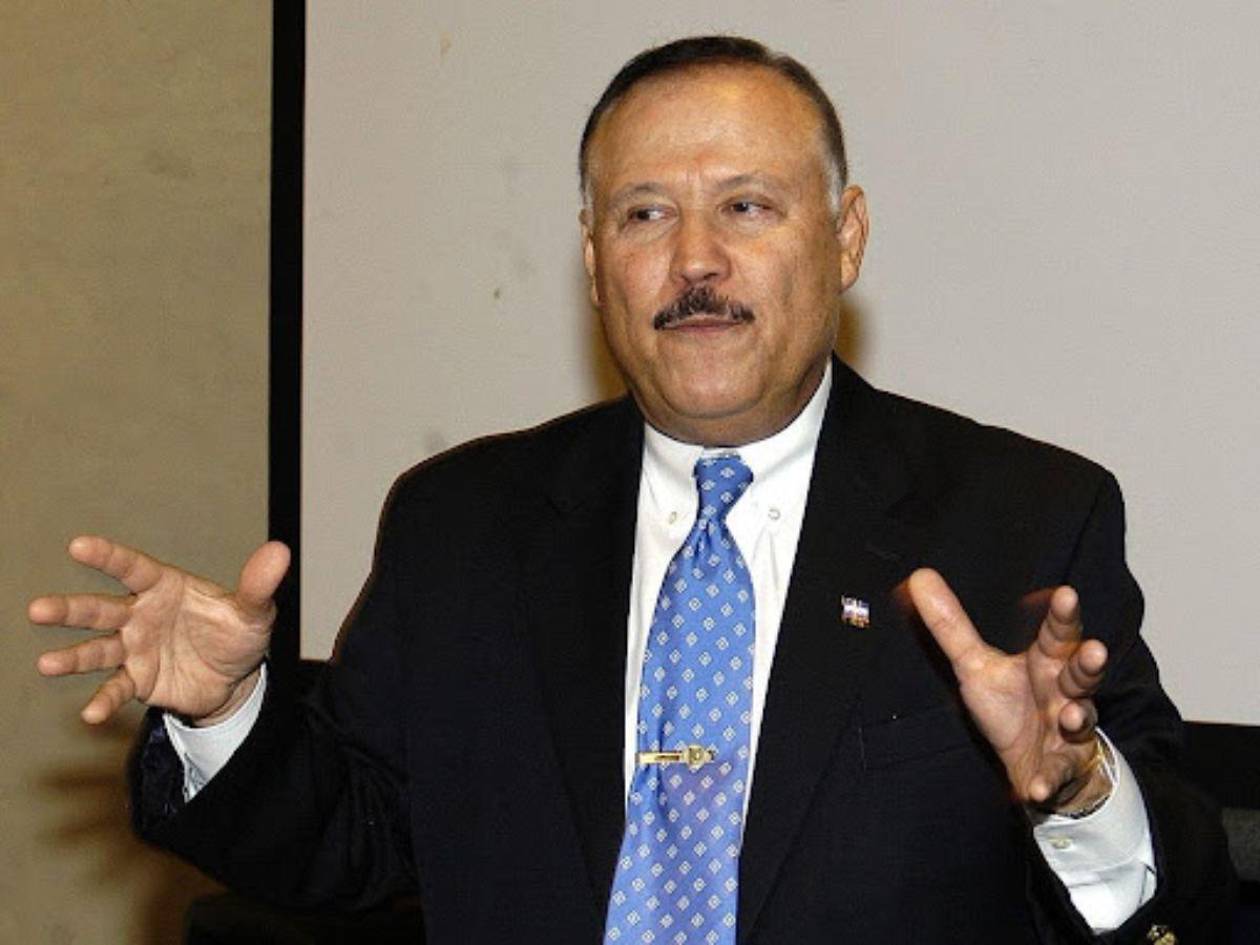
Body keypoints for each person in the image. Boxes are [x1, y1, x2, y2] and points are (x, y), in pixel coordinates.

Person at [30, 35, 1233, 945]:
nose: (695, 261)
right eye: (645, 213)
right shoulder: (463, 523)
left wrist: (1077, 792)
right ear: (596, 260)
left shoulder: (1021, 516)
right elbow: (351, 843)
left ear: (846, 237)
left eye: (747, 207)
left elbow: (1183, 893)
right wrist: (225, 716)